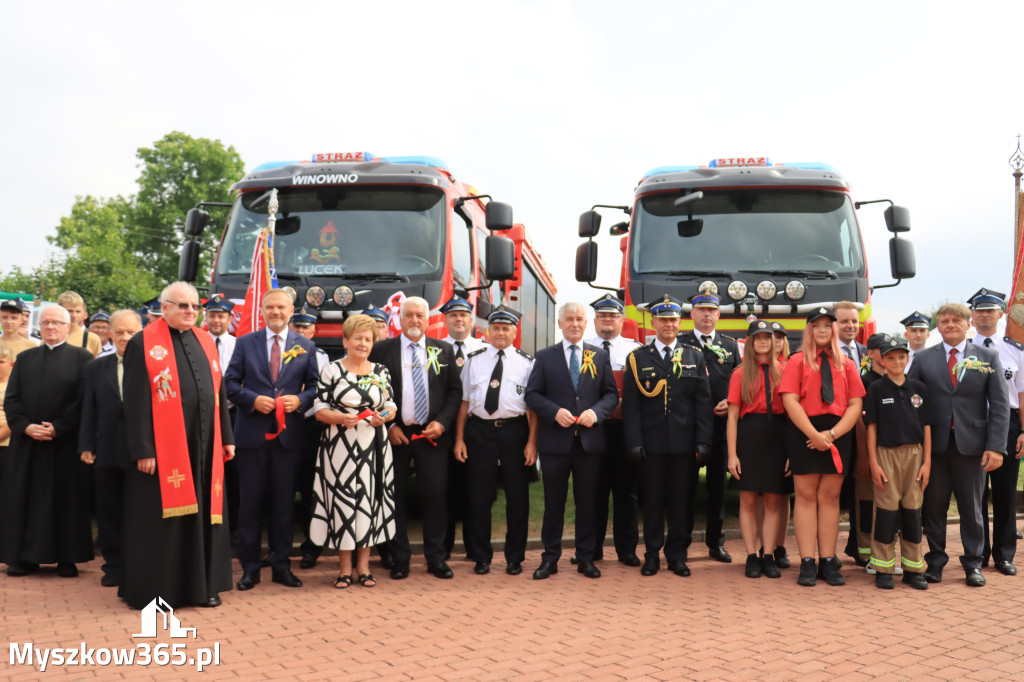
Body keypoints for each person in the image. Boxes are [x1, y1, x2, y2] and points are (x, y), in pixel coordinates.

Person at [121, 281, 235, 609]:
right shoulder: (144, 343)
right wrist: (143, 449)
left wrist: (227, 438)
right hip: (164, 452)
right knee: (165, 525)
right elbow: (135, 401)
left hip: (205, 445)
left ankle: (204, 587)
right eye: (182, 306)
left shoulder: (205, 341)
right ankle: (160, 591)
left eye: (194, 307)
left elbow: (219, 393)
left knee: (204, 517)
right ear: (165, 307)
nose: (190, 311)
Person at [907, 302, 1009, 587]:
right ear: (937, 327)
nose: (950, 325)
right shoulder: (924, 358)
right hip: (934, 448)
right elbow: (912, 401)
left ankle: (973, 564)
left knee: (972, 508)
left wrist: (996, 447)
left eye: (956, 320)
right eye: (944, 321)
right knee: (934, 507)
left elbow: (1000, 405)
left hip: (973, 446)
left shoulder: (988, 357)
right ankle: (935, 562)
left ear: (969, 325)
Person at [225, 289, 319, 591]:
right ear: (262, 311)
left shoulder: (306, 346)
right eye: (270, 307)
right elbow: (228, 384)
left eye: (281, 307)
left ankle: (281, 566)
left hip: (288, 439)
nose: (276, 311)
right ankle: (250, 568)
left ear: (291, 310)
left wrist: (300, 400)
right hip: (252, 436)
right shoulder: (244, 343)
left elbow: (317, 387)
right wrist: (253, 400)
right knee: (249, 505)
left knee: (283, 507)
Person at [368, 296, 462, 579]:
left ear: (428, 318)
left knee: (435, 497)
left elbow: (455, 392)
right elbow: (371, 390)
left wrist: (442, 423)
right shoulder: (382, 350)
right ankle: (399, 560)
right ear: (400, 317)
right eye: (409, 315)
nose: (414, 321)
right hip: (395, 435)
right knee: (394, 498)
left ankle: (435, 558)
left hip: (431, 435)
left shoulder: (443, 351)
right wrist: (390, 425)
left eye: (420, 315)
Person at [526, 302, 618, 580]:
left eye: (579, 319)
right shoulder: (544, 357)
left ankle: (586, 557)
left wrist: (595, 412)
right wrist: (554, 412)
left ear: (586, 323)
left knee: (587, 503)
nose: (575, 324)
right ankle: (550, 558)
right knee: (554, 503)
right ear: (560, 323)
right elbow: (531, 395)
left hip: (589, 444)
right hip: (556, 443)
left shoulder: (599, 356)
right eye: (569, 319)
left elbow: (611, 395)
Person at [623, 295, 713, 578]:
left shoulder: (693, 356)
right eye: (662, 319)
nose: (668, 325)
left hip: (684, 446)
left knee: (681, 502)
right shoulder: (637, 359)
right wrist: (634, 442)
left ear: (679, 322)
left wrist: (703, 441)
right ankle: (651, 555)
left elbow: (703, 405)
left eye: (673, 320)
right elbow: (631, 408)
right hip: (651, 446)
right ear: (653, 322)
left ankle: (677, 555)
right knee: (651, 503)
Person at [2, 304, 94, 577]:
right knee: (25, 499)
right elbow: (12, 398)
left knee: (66, 500)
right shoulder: (26, 357)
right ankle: (24, 558)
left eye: (57, 323)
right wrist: (26, 426)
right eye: (46, 323)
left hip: (63, 444)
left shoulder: (82, 357)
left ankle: (67, 557)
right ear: (38, 327)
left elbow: (83, 400)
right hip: (28, 442)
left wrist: (58, 427)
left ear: (68, 326)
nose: (51, 327)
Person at [780, 307, 865, 587]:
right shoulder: (796, 362)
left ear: (834, 330)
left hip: (838, 432)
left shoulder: (848, 364)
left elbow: (855, 403)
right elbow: (790, 400)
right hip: (804, 431)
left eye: (828, 326)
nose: (822, 331)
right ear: (809, 330)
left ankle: (828, 560)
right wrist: (814, 435)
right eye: (817, 326)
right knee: (804, 496)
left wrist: (831, 434)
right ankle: (807, 561)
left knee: (830, 497)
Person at [310, 314, 396, 588]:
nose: (363, 343)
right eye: (358, 338)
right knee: (343, 501)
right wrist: (339, 418)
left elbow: (391, 405)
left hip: (373, 445)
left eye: (368, 339)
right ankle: (344, 568)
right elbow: (319, 409)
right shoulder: (331, 370)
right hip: (339, 446)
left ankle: (365, 567)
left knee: (368, 501)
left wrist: (383, 415)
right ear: (345, 340)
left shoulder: (380, 371)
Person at [453, 306, 537, 576]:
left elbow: (532, 409)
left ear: (515, 332)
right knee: (478, 496)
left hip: (515, 432)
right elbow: (464, 402)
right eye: (496, 328)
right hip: (479, 432)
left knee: (517, 497)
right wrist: (459, 439)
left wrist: (532, 443)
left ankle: (515, 557)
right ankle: (481, 556)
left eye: (506, 328)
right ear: (488, 331)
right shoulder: (474, 359)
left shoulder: (527, 363)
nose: (500, 332)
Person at [79, 309, 141, 587]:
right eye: (120, 332)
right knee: (109, 512)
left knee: (138, 511)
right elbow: (88, 409)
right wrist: (86, 445)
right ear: (110, 334)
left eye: (131, 332)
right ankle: (113, 565)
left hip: (141, 454)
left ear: (140, 333)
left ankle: (138, 564)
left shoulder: (153, 366)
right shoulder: (96, 367)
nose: (125, 337)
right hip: (105, 452)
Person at [865, 335, 931, 590]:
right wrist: (873, 462)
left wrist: (927, 463)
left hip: (915, 455)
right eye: (890, 357)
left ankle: (913, 568)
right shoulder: (877, 389)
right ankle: (883, 567)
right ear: (882, 359)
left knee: (913, 510)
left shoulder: (919, 389)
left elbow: (926, 428)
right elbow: (871, 427)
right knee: (885, 510)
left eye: (901, 357)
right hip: (886, 455)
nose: (896, 361)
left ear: (908, 358)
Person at [967, 289, 1024, 576]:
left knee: (1004, 492)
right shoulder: (963, 350)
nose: (985, 315)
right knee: (975, 494)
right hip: (973, 424)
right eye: (980, 311)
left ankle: (1003, 554)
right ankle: (977, 555)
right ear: (972, 316)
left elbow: (1022, 395)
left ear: (1001, 314)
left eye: (991, 310)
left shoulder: (1015, 350)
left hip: (1009, 425)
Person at [681, 286, 740, 564]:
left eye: (712, 310)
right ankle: (681, 543)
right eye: (702, 310)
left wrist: (731, 401)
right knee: (685, 489)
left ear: (718, 315)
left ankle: (715, 544)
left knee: (717, 490)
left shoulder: (729, 346)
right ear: (693, 313)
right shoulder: (681, 343)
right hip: (689, 429)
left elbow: (738, 381)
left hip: (719, 430)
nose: (707, 315)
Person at [585, 293, 642, 566]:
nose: (608, 320)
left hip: (624, 431)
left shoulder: (635, 351)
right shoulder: (581, 349)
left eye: (613, 315)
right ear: (595, 320)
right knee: (592, 492)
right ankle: (590, 549)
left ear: (622, 319)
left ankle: (627, 549)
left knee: (626, 492)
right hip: (592, 430)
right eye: (602, 315)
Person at [727, 319, 787, 579]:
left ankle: (769, 554)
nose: (763, 342)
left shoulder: (786, 370)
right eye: (758, 338)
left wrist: (792, 452)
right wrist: (732, 455)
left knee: (774, 500)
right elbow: (731, 417)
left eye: (767, 337)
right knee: (748, 499)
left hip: (779, 438)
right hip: (749, 438)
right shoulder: (739, 373)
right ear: (750, 343)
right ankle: (751, 555)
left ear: (774, 342)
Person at [440, 295, 487, 562]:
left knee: (475, 489)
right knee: (443, 488)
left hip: (475, 426)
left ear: (471, 320)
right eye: (453, 315)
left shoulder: (484, 349)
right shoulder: (434, 348)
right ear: (446, 320)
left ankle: (473, 546)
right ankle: (443, 546)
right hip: (444, 427)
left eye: (463, 315)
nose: (458, 319)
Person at [289, 305, 330, 569]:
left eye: (306, 327)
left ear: (314, 331)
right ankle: (276, 548)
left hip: (311, 428)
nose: (302, 331)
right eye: (297, 326)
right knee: (279, 490)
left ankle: (311, 547)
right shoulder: (279, 353)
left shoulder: (322, 357)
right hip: (284, 425)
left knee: (311, 491)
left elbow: (323, 391)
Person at [850, 332, 891, 571]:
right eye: (882, 351)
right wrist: (864, 457)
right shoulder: (864, 381)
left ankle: (883, 549)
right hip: (867, 451)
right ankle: (863, 550)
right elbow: (859, 420)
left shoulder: (899, 380)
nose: (886, 356)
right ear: (871, 354)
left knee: (888, 501)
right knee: (865, 503)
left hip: (893, 451)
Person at [57, 291, 102, 357]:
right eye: (70, 311)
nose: (74, 315)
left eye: (78, 312)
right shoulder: (51, 336)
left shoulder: (92, 339)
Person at [0, 346, 14, 500]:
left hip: (6, 444)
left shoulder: (13, 385)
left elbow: (14, 416)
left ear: (11, 364)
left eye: (1, 362)